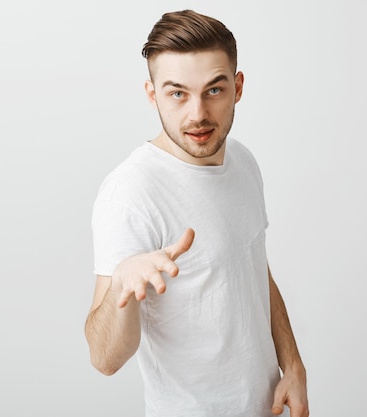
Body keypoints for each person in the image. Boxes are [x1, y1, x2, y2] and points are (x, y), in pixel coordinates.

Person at [85, 9, 309, 417]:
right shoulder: (130, 193)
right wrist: (122, 285)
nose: (198, 115)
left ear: (237, 87)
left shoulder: (242, 161)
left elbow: (255, 270)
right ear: (152, 94)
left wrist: (292, 366)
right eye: (177, 93)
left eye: (213, 90)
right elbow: (104, 359)